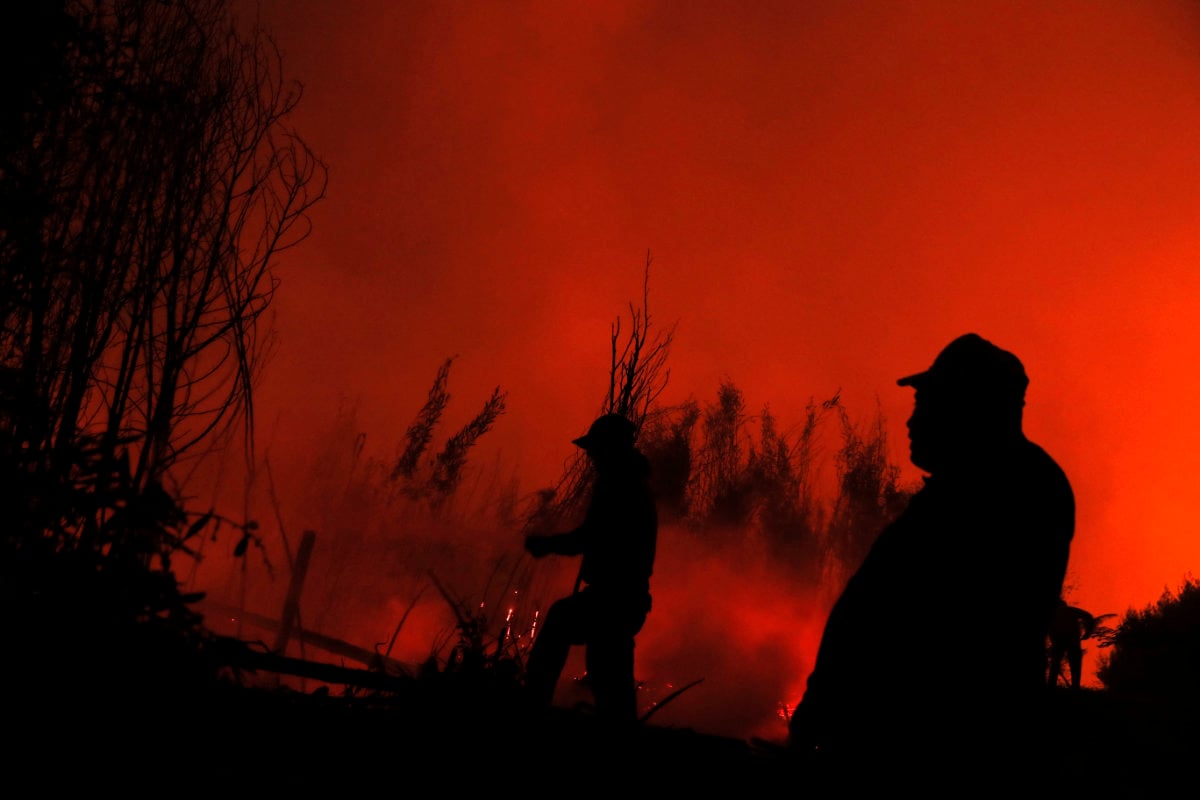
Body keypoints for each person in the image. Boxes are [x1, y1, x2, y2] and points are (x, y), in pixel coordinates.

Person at [789, 333, 1076, 789]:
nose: (912, 420)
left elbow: (885, 612)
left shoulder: (980, 494)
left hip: (926, 751)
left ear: (969, 406)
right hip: (965, 742)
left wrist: (822, 710)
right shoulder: (1018, 482)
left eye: (927, 402)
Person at [522, 412, 658, 725]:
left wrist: (547, 545)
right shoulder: (631, 483)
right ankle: (615, 726)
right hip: (623, 598)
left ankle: (532, 708)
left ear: (609, 447)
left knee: (566, 627)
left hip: (614, 597)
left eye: (596, 448)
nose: (592, 456)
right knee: (609, 672)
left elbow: (593, 535)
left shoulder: (619, 485)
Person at [1047, 598, 1097, 690]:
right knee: (1075, 663)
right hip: (1072, 639)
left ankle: (1051, 685)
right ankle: (1075, 687)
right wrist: (1088, 632)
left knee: (1055, 662)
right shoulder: (1071, 610)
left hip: (1060, 639)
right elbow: (1089, 616)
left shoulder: (1052, 613)